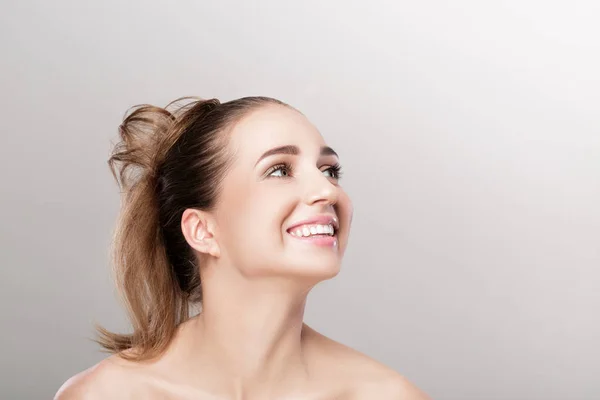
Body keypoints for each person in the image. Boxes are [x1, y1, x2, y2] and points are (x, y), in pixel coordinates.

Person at [54, 96, 430, 399]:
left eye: (329, 170)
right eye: (280, 170)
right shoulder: (105, 394)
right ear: (202, 230)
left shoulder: (387, 394)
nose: (328, 191)